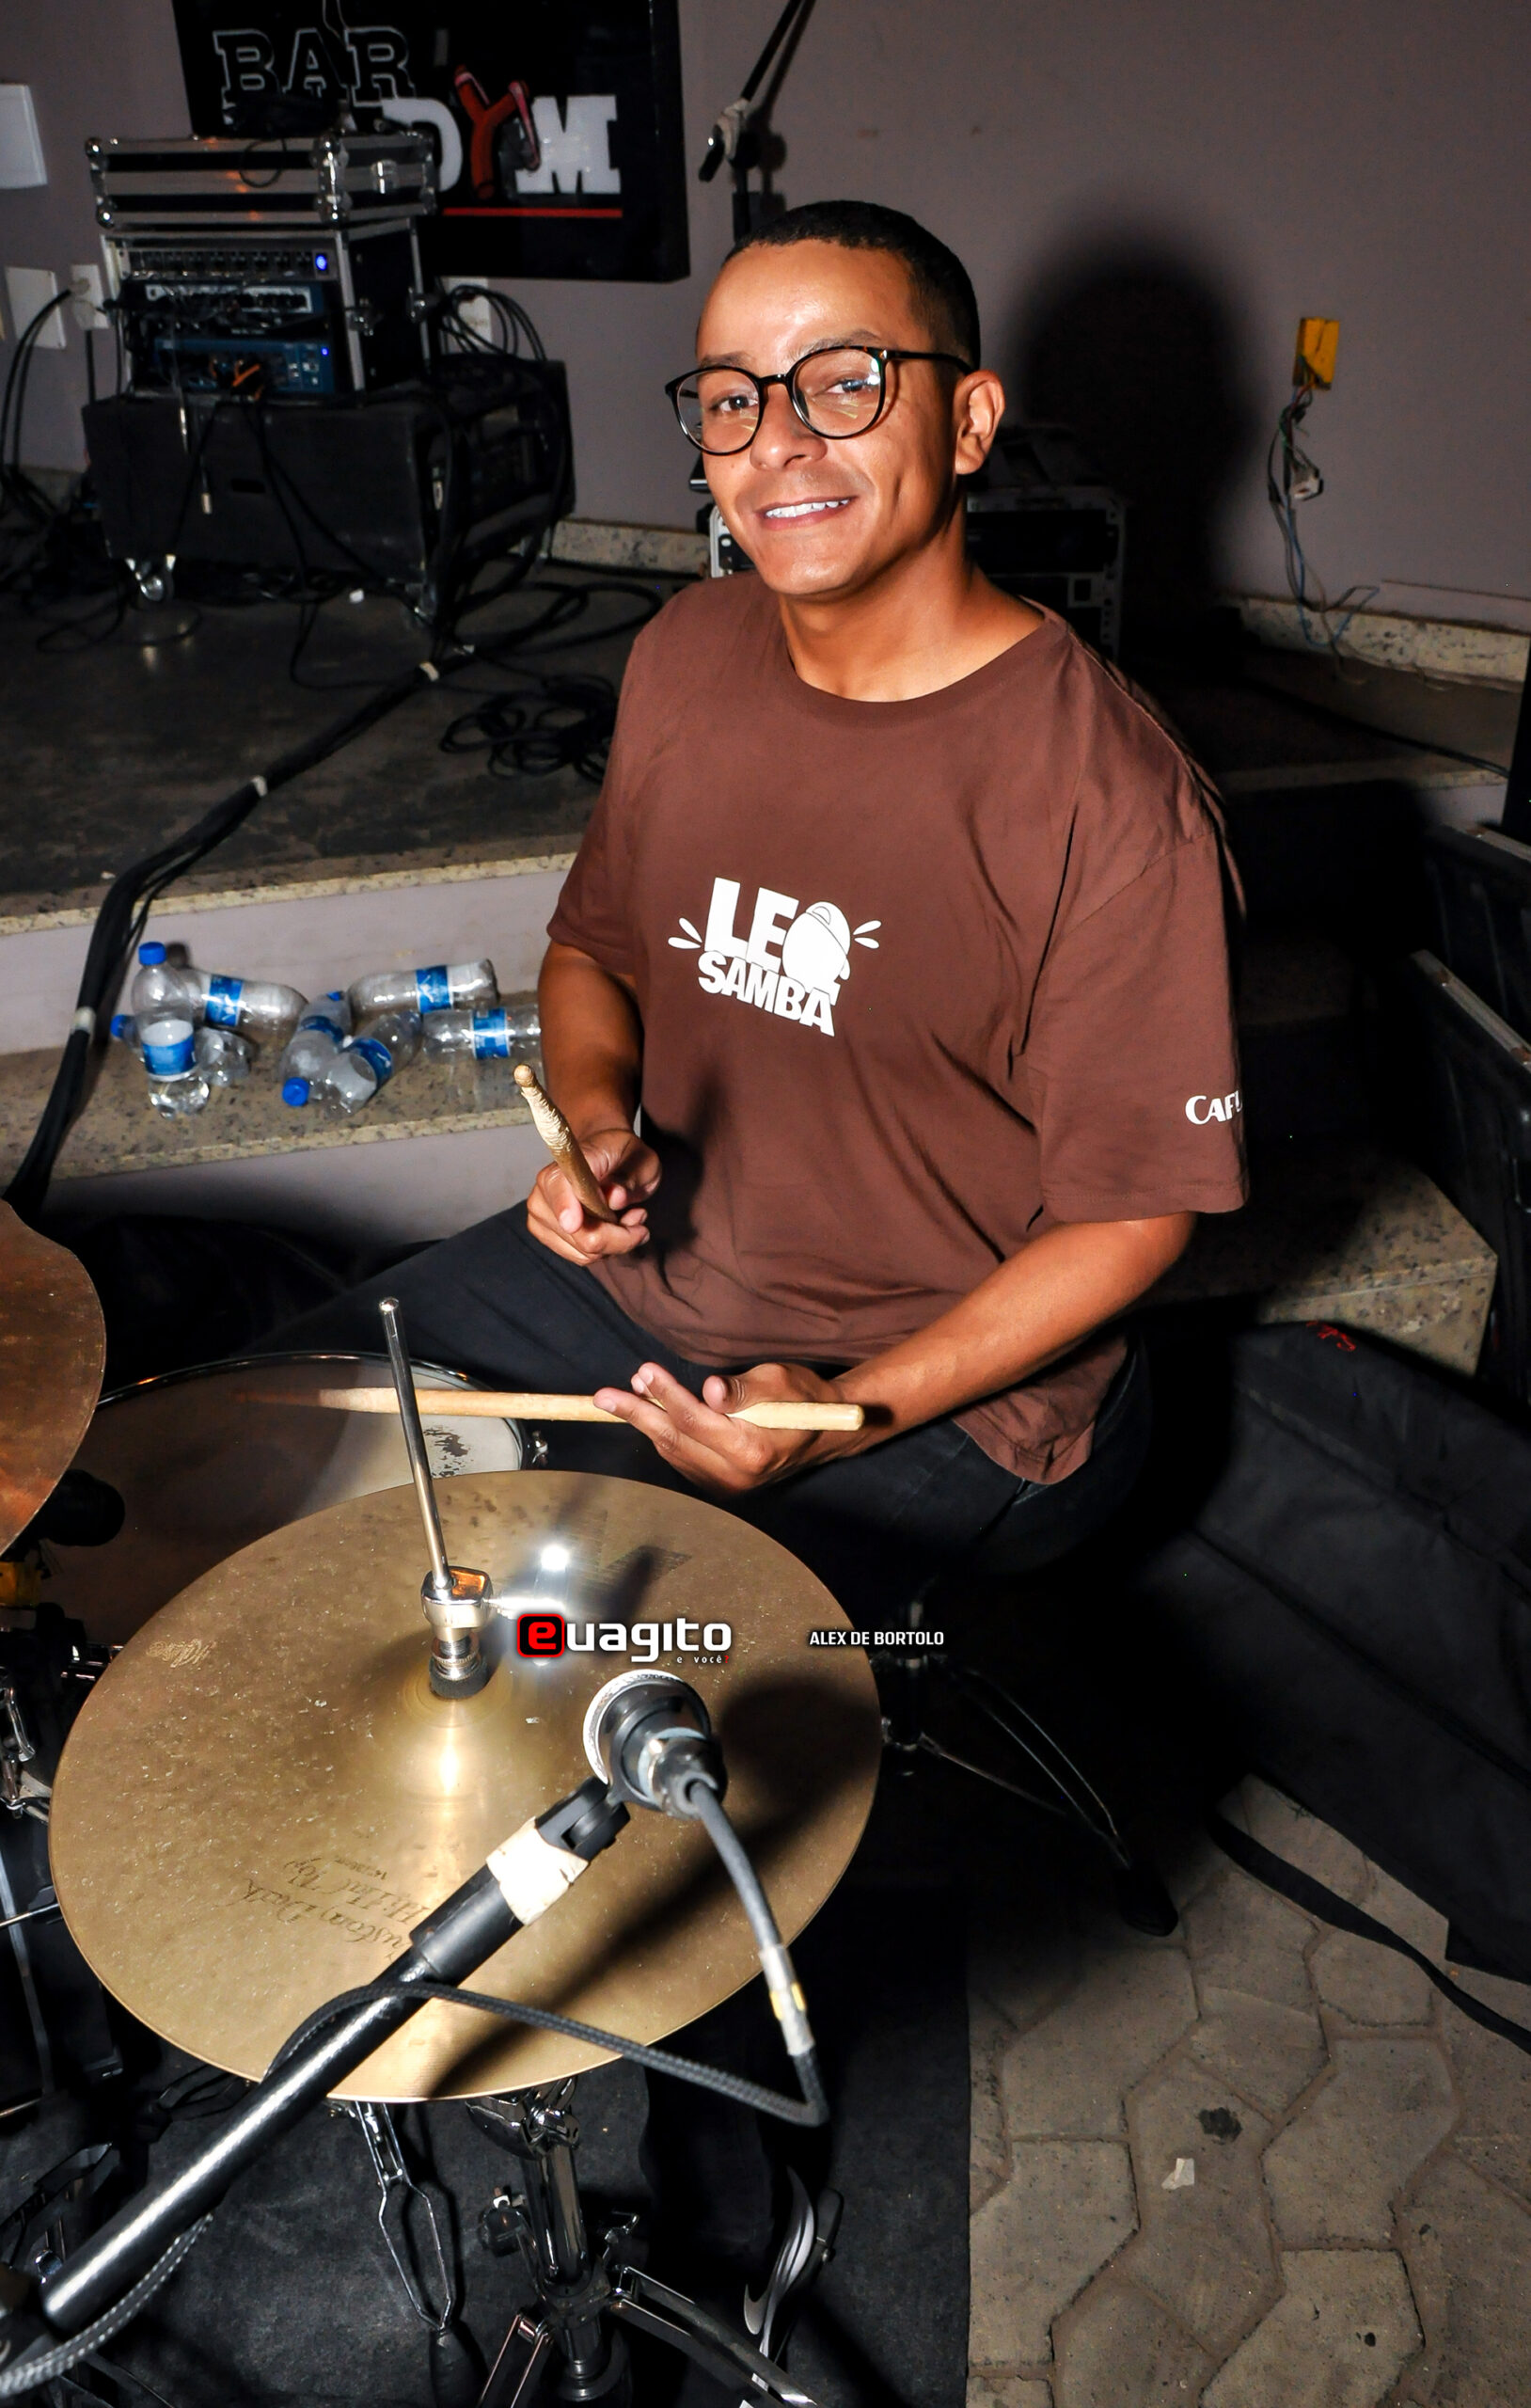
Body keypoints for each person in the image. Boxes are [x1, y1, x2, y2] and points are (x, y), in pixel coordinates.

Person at [277, 196, 1245, 2328]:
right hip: (649, 1289)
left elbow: (1138, 1216)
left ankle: (713, 2245)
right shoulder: (690, 653)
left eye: (840, 382)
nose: (775, 440)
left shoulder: (1104, 791)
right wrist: (600, 1128)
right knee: (257, 1445)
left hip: (950, 1389)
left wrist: (847, 1414)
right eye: (728, 396)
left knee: (647, 1738)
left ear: (966, 420)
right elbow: (596, 949)